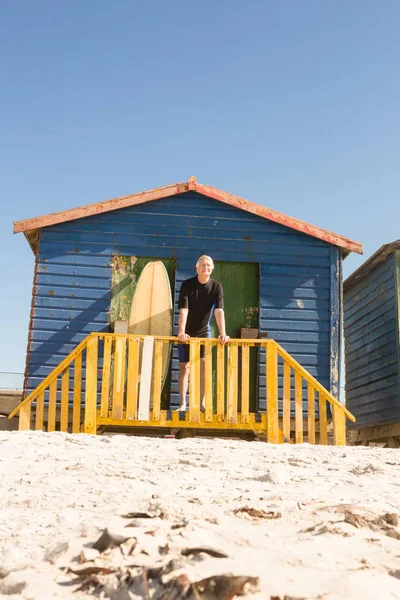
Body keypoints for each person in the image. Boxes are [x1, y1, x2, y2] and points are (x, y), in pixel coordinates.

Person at [177, 255, 230, 412]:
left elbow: (219, 311)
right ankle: (182, 404)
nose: (205, 267)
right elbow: (183, 311)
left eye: (208, 265)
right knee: (184, 367)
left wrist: (223, 333)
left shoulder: (216, 287)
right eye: (202, 265)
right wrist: (181, 332)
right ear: (196, 267)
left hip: (203, 331)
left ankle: (202, 404)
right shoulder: (187, 285)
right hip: (186, 332)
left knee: (204, 366)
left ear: (212, 269)